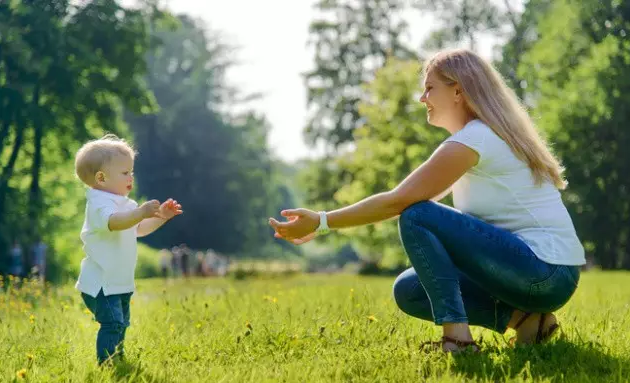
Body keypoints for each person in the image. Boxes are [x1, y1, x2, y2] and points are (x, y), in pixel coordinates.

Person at [269, 49, 585, 353]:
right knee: (411, 289)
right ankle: (529, 321)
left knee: (417, 215)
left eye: (430, 88)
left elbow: (400, 202)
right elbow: (407, 204)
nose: (423, 99)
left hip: (544, 272)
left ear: (458, 92)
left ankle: (458, 341)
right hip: (548, 276)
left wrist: (323, 222)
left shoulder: (475, 138)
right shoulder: (484, 136)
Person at [74, 134, 183, 364]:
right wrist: (139, 213)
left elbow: (139, 229)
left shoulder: (127, 204)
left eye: (131, 171)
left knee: (121, 322)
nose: (130, 177)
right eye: (125, 173)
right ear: (101, 178)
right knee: (112, 323)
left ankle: (117, 356)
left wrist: (161, 216)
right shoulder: (98, 203)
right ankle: (107, 363)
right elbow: (114, 222)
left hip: (119, 281)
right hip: (101, 283)